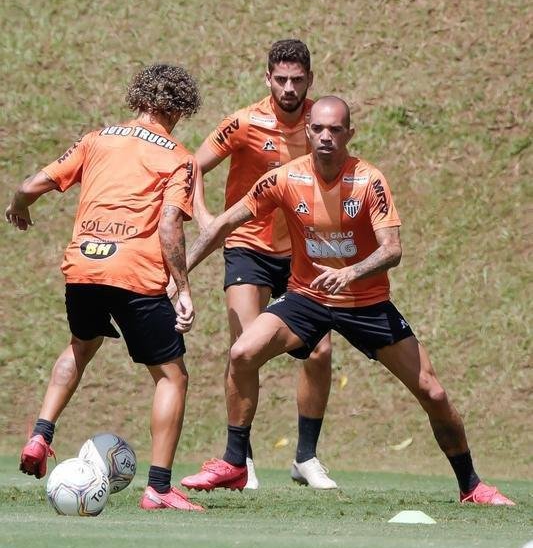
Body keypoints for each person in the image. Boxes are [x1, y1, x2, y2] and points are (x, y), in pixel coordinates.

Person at [180, 96, 515, 506]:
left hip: (366, 302)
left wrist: (351, 272)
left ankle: (471, 486)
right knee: (243, 352)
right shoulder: (285, 178)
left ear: (349, 134)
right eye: (318, 129)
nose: (325, 136)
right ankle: (235, 462)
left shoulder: (368, 180)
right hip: (307, 298)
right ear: (308, 132)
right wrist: (180, 280)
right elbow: (224, 225)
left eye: (335, 130)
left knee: (433, 393)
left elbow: (392, 249)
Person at [5, 64, 205, 512]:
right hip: (133, 272)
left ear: (139, 100)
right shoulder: (178, 157)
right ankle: (158, 487)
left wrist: (19, 205)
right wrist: (183, 287)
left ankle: (41, 433)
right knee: (172, 376)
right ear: (181, 108)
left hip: (82, 268)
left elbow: (32, 184)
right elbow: (170, 224)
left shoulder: (97, 139)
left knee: (81, 343)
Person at [190, 39, 335, 490]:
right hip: (247, 249)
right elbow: (191, 167)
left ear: (310, 80)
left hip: (301, 256)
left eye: (297, 80)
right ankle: (242, 459)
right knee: (245, 351)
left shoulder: (321, 124)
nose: (289, 88)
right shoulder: (243, 122)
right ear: (267, 78)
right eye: (280, 79)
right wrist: (205, 217)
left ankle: (305, 458)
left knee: (320, 352)